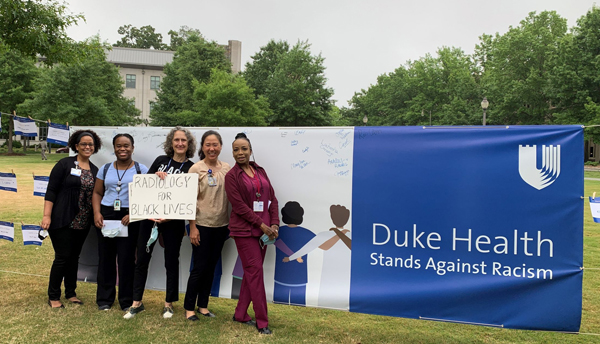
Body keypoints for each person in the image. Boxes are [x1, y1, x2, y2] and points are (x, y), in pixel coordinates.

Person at [124, 127, 196, 319]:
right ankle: (136, 302)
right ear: (171, 142)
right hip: (150, 219)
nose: (180, 143)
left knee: (171, 261)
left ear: (188, 144)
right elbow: (145, 187)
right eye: (176, 140)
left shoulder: (192, 167)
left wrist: (172, 216)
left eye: (183, 140)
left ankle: (168, 303)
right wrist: (155, 176)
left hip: (173, 222)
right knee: (142, 260)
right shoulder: (160, 161)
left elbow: (190, 198)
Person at [225, 133, 279, 335]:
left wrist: (274, 223)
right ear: (233, 152)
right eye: (236, 149)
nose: (240, 153)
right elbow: (239, 207)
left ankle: (240, 314)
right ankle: (262, 321)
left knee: (251, 273)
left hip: (265, 232)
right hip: (244, 232)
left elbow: (272, 199)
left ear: (250, 150)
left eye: (244, 148)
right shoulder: (231, 176)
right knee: (255, 273)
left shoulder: (260, 171)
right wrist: (262, 225)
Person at [42, 130, 102, 308]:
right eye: (83, 144)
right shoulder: (64, 164)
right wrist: (46, 215)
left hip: (83, 221)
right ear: (76, 146)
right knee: (62, 257)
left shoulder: (95, 170)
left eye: (90, 144)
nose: (87, 147)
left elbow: (97, 194)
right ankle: (53, 296)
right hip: (62, 219)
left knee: (74, 257)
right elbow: (51, 190)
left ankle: (71, 293)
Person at [92, 133, 148, 311]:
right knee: (106, 259)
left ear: (132, 147)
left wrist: (134, 214)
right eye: (118, 146)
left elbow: (148, 196)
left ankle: (126, 300)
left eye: (126, 145)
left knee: (127, 260)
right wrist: (97, 213)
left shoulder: (141, 169)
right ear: (114, 148)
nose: (122, 149)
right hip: (107, 215)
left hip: (129, 218)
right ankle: (104, 300)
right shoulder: (106, 168)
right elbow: (97, 193)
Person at [183, 130, 231, 321]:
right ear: (202, 147)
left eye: (215, 144)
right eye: (208, 145)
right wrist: (192, 227)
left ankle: (203, 305)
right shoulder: (196, 169)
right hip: (201, 225)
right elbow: (189, 200)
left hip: (221, 226)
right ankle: (189, 308)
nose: (212, 148)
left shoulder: (227, 168)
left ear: (220, 146)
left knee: (211, 267)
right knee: (199, 268)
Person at [273, 201, 315, 306]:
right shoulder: (307, 233)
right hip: (299, 276)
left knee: (279, 304)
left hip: (282, 275)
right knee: (299, 304)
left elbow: (276, 242)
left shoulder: (279, 232)